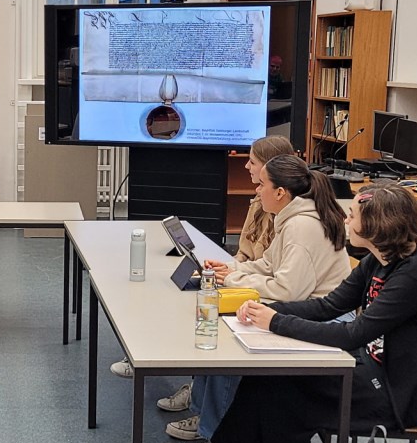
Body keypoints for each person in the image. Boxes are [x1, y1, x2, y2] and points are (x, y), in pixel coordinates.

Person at [172, 182, 417, 443]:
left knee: (283, 389)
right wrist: (266, 309)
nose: (346, 220)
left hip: (403, 394)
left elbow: (355, 333)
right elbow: (328, 307)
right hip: (377, 370)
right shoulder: (378, 261)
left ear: (377, 225)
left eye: (353, 215)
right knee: (269, 379)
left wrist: (276, 322)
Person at [155, 154, 352, 443]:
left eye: (262, 185)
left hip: (323, 319)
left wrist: (233, 281)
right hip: (306, 309)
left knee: (233, 347)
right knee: (225, 336)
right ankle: (212, 428)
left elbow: (288, 289)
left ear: (280, 193)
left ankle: (217, 442)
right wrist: (233, 270)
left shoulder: (302, 226)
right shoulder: (291, 216)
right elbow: (268, 266)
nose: (256, 190)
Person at [111, 136, 296, 386]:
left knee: (200, 303)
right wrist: (226, 268)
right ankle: (148, 354)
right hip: (246, 278)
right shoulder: (259, 202)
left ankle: (193, 386)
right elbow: (247, 255)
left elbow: (272, 271)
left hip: (258, 290)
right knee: (183, 289)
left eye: (251, 162)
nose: (246, 166)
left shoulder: (287, 218)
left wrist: (230, 276)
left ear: (269, 168)